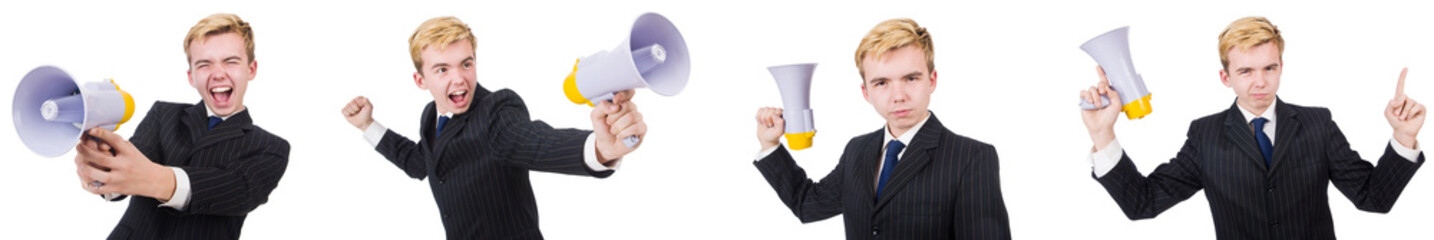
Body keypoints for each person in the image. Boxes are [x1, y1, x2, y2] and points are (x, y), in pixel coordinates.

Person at [1079, 16, 1425, 239]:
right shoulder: (1205, 136)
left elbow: (1374, 198)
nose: (1260, 82)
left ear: (1281, 67)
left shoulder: (1318, 123)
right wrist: (1102, 134)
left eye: (1269, 68)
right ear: (1225, 77)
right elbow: (1143, 203)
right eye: (1245, 71)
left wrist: (1404, 137)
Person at [339, 16, 646, 239]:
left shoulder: (497, 110)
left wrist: (599, 149)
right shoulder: (430, 116)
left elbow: (534, 142)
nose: (459, 78)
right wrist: (368, 125)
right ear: (422, 80)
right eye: (442, 69)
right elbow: (423, 163)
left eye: (466, 64)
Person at [753, 18, 1011, 240]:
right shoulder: (857, 149)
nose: (898, 96)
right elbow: (807, 205)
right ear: (866, 92)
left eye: (911, 78)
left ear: (931, 81)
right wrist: (770, 145)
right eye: (881, 83)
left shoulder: (971, 157)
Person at [74, 13, 291, 239]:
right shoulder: (164, 114)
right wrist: (101, 169)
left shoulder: (271, 148)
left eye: (231, 62)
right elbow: (125, 173)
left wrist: (154, 178)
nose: (218, 74)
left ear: (251, 69)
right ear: (192, 76)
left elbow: (238, 191)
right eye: (204, 64)